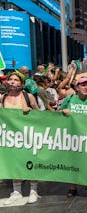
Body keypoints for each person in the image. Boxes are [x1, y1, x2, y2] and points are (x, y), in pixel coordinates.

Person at [1, 72, 41, 205]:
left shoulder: (28, 96)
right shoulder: (3, 98)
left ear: (22, 83)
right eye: (10, 79)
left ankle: (33, 190)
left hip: (28, 136)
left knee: (31, 162)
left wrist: (30, 110)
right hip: (12, 138)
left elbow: (41, 116)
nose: (12, 82)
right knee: (13, 163)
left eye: (16, 80)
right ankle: (16, 191)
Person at [60, 77, 87, 197]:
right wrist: (63, 111)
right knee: (73, 161)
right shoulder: (70, 98)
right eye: (83, 85)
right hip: (72, 136)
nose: (86, 87)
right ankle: (73, 187)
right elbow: (59, 113)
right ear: (77, 87)